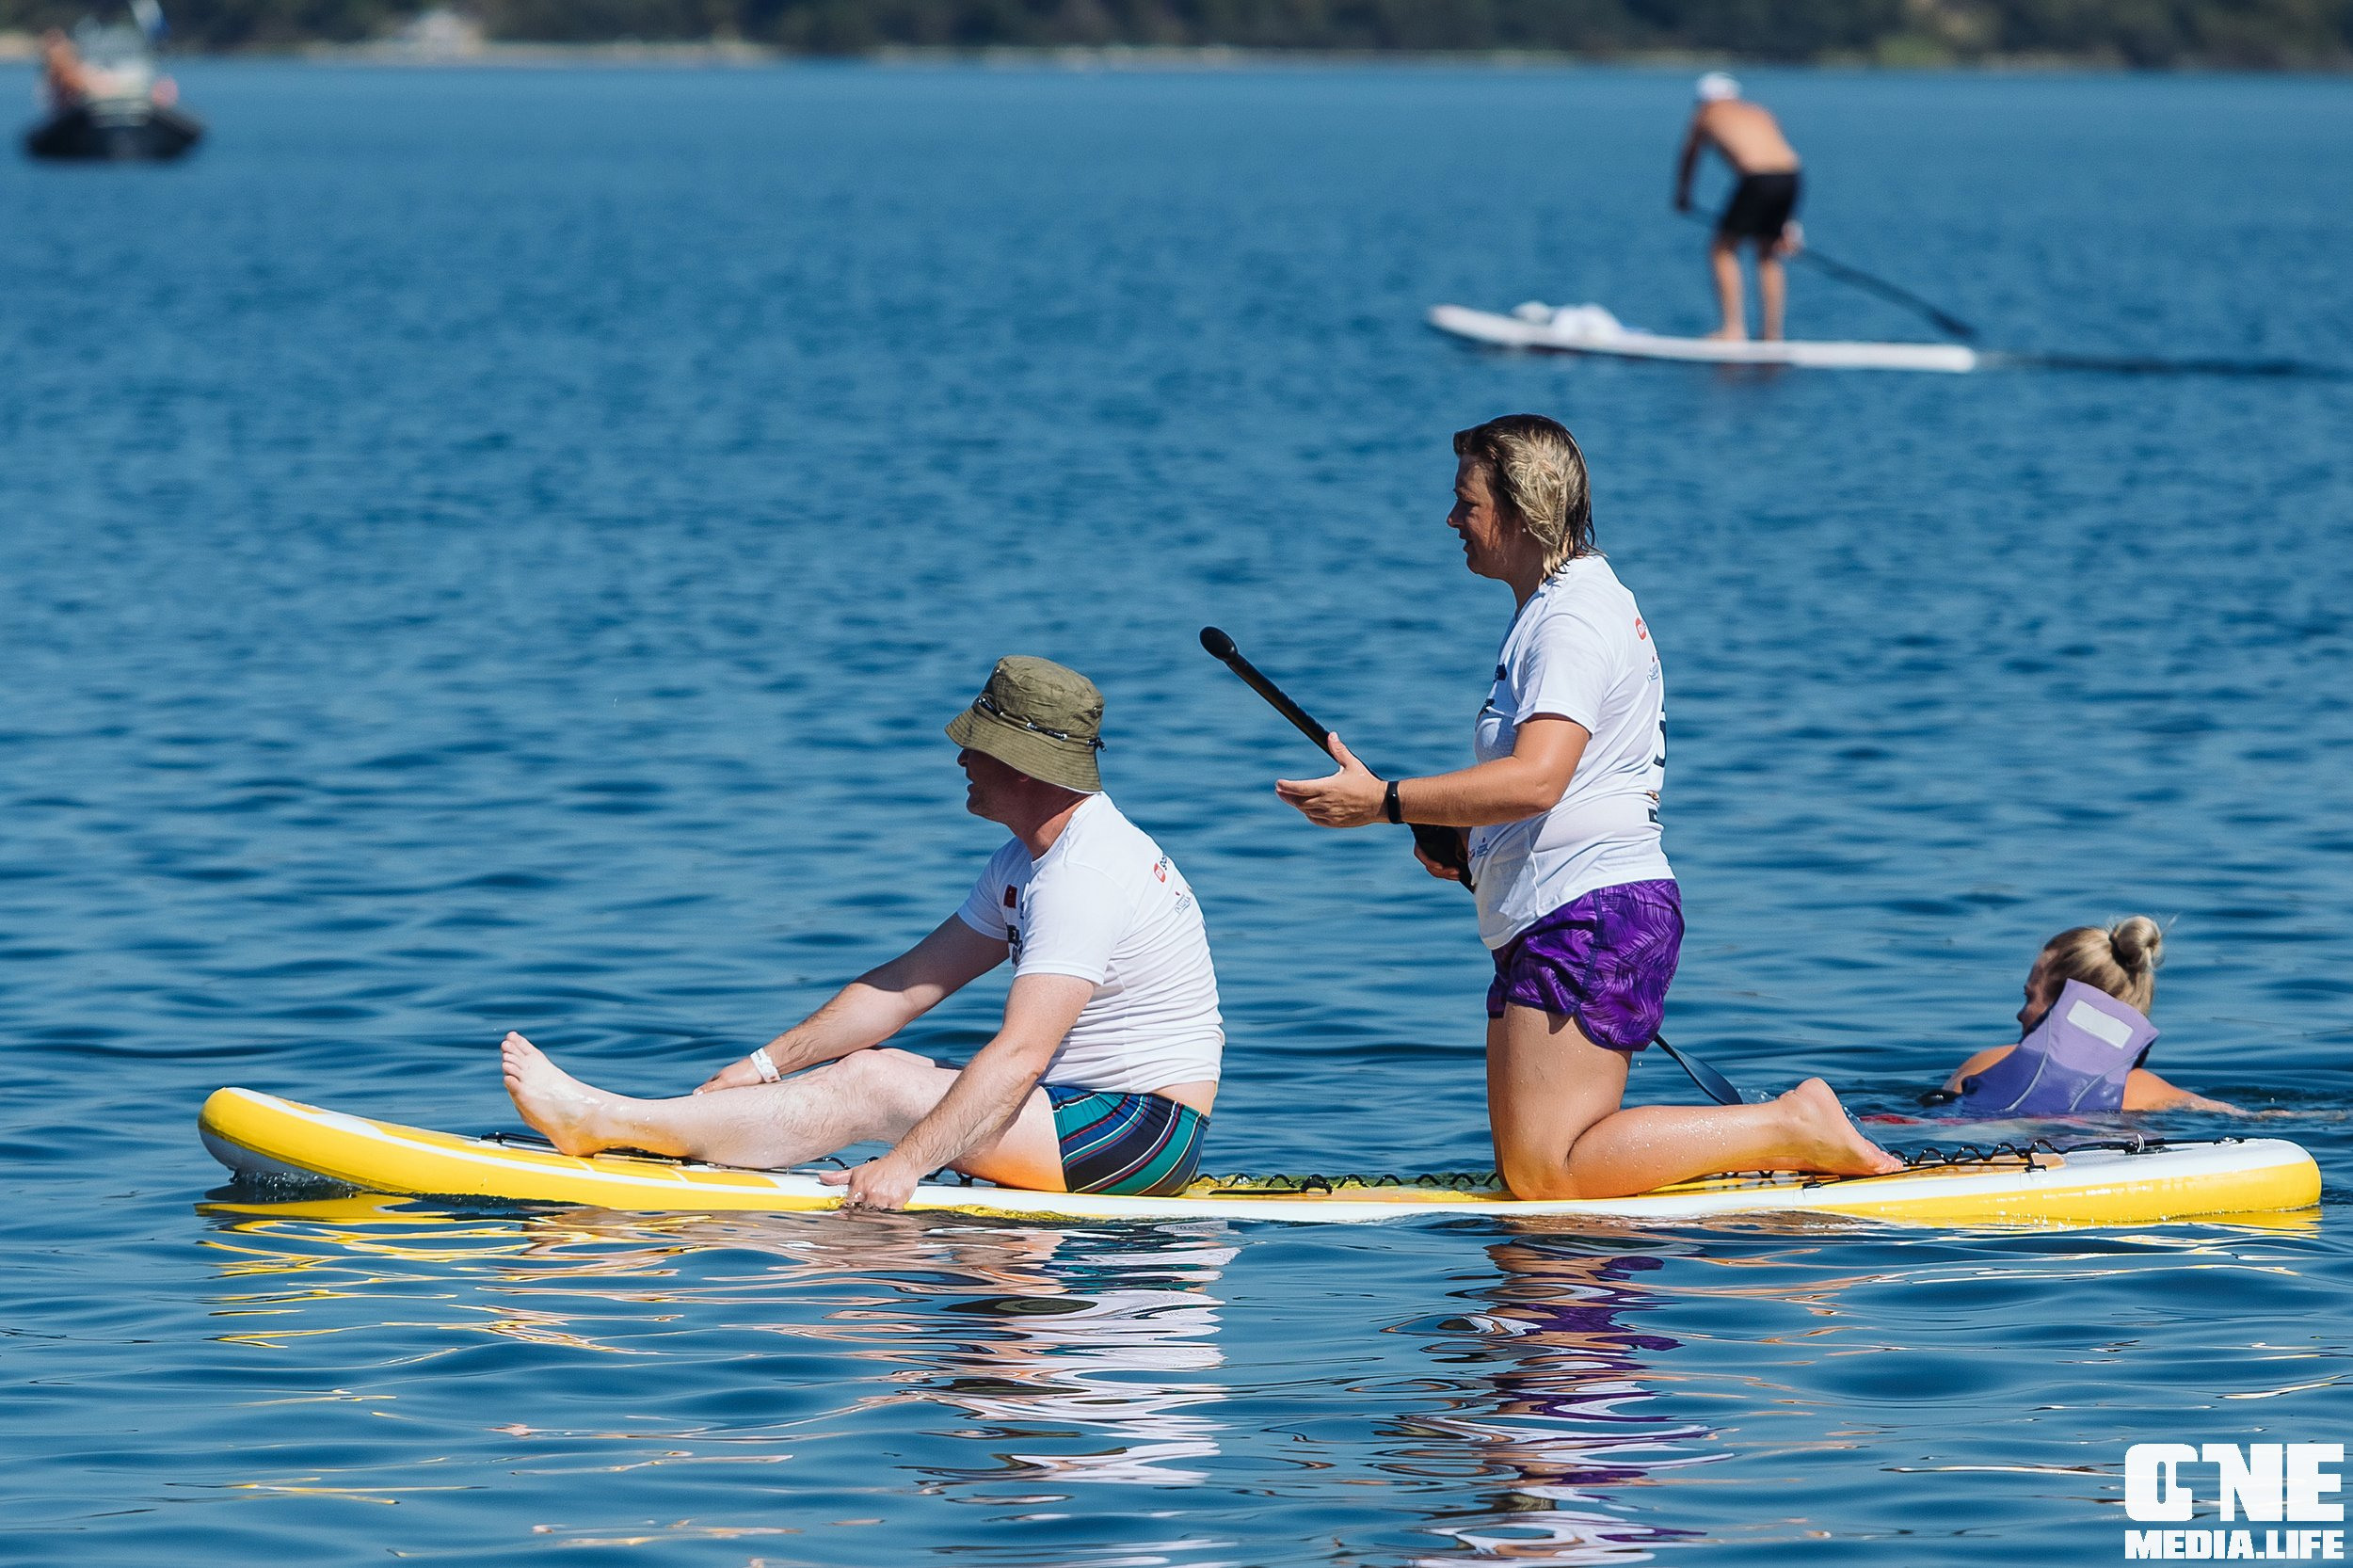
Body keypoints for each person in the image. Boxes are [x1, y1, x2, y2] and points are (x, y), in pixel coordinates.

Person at [1272, 414, 1899, 1200]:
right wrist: (1467, 841)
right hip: (1555, 907)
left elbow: (1540, 779)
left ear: (1521, 509)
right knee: (1531, 1174)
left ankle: (1789, 1124)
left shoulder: (1570, 619)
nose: (1451, 520)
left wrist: (1387, 803)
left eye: (1466, 502)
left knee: (1554, 1173)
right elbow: (1570, 781)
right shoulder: (1557, 606)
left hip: (1589, 912)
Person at [500, 656, 1224, 1211]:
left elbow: (1021, 1052)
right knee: (891, 1064)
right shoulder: (1025, 862)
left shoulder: (1085, 875)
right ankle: (674, 1129)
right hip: (1083, 1117)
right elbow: (903, 988)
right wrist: (761, 1066)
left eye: (977, 746)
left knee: (873, 1083)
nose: (961, 759)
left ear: (1027, 768)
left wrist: (904, 1167)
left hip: (1136, 1136)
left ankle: (605, 1122)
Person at [1929, 918, 2238, 1114]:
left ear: (2063, 1005)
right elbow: (2245, 1119)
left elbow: (1936, 1119)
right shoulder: (2146, 1091)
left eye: (2029, 997)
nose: (2020, 1014)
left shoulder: (1988, 1064)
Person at [1673, 72, 1804, 342]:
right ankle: (1772, 334)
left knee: (1722, 249)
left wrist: (1683, 195)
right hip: (1791, 176)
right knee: (1768, 251)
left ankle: (1733, 330)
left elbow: (1689, 155)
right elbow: (1777, 156)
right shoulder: (1758, 112)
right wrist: (1788, 224)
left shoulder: (1707, 115)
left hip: (1757, 178)